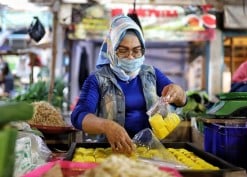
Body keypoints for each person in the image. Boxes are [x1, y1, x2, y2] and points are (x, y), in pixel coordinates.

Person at [71, 15, 187, 154]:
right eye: (123, 50)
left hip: (149, 151)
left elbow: (181, 100)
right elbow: (78, 116)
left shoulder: (151, 74)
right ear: (111, 50)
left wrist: (178, 91)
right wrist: (106, 126)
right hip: (111, 151)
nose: (131, 56)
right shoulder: (97, 79)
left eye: (137, 50)